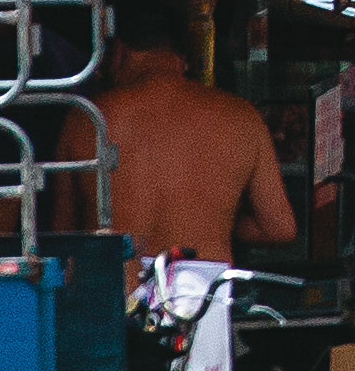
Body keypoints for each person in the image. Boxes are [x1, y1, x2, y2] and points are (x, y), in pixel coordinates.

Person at [69, 38, 295, 262]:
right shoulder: (241, 117)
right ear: (184, 60)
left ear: (119, 51)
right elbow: (278, 228)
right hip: (205, 282)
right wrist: (219, 215)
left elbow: (61, 235)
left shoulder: (87, 117)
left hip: (114, 280)